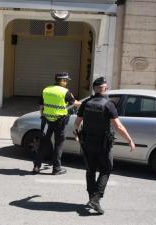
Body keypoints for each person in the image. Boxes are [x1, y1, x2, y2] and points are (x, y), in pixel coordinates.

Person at [73, 76, 135, 214]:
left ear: (94, 89)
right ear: (105, 89)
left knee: (90, 171)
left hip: (87, 143)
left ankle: (91, 197)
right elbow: (118, 126)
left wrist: (77, 135)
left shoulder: (86, 103)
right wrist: (129, 140)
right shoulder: (109, 104)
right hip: (103, 145)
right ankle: (95, 199)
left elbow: (76, 124)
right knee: (106, 170)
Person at [32, 72, 81, 175]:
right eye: (66, 80)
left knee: (43, 143)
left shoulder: (46, 89)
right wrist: (83, 103)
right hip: (59, 122)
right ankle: (56, 169)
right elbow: (75, 103)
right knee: (58, 144)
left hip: (46, 121)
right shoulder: (65, 92)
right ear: (62, 81)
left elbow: (41, 106)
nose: (67, 82)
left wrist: (44, 116)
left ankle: (36, 166)